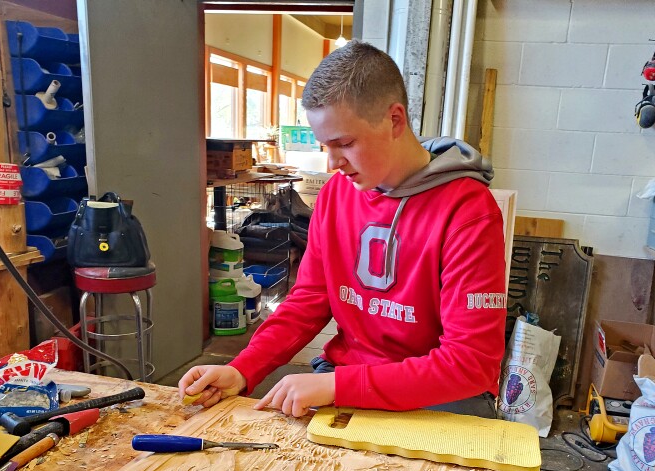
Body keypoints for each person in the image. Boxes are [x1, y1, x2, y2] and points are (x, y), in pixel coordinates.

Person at [180, 40, 506, 418]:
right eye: (325, 147)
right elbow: (307, 304)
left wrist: (339, 386)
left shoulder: (468, 211)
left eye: (345, 144)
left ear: (394, 121)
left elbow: (471, 365)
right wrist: (242, 368)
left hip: (436, 397)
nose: (333, 163)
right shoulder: (337, 193)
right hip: (345, 378)